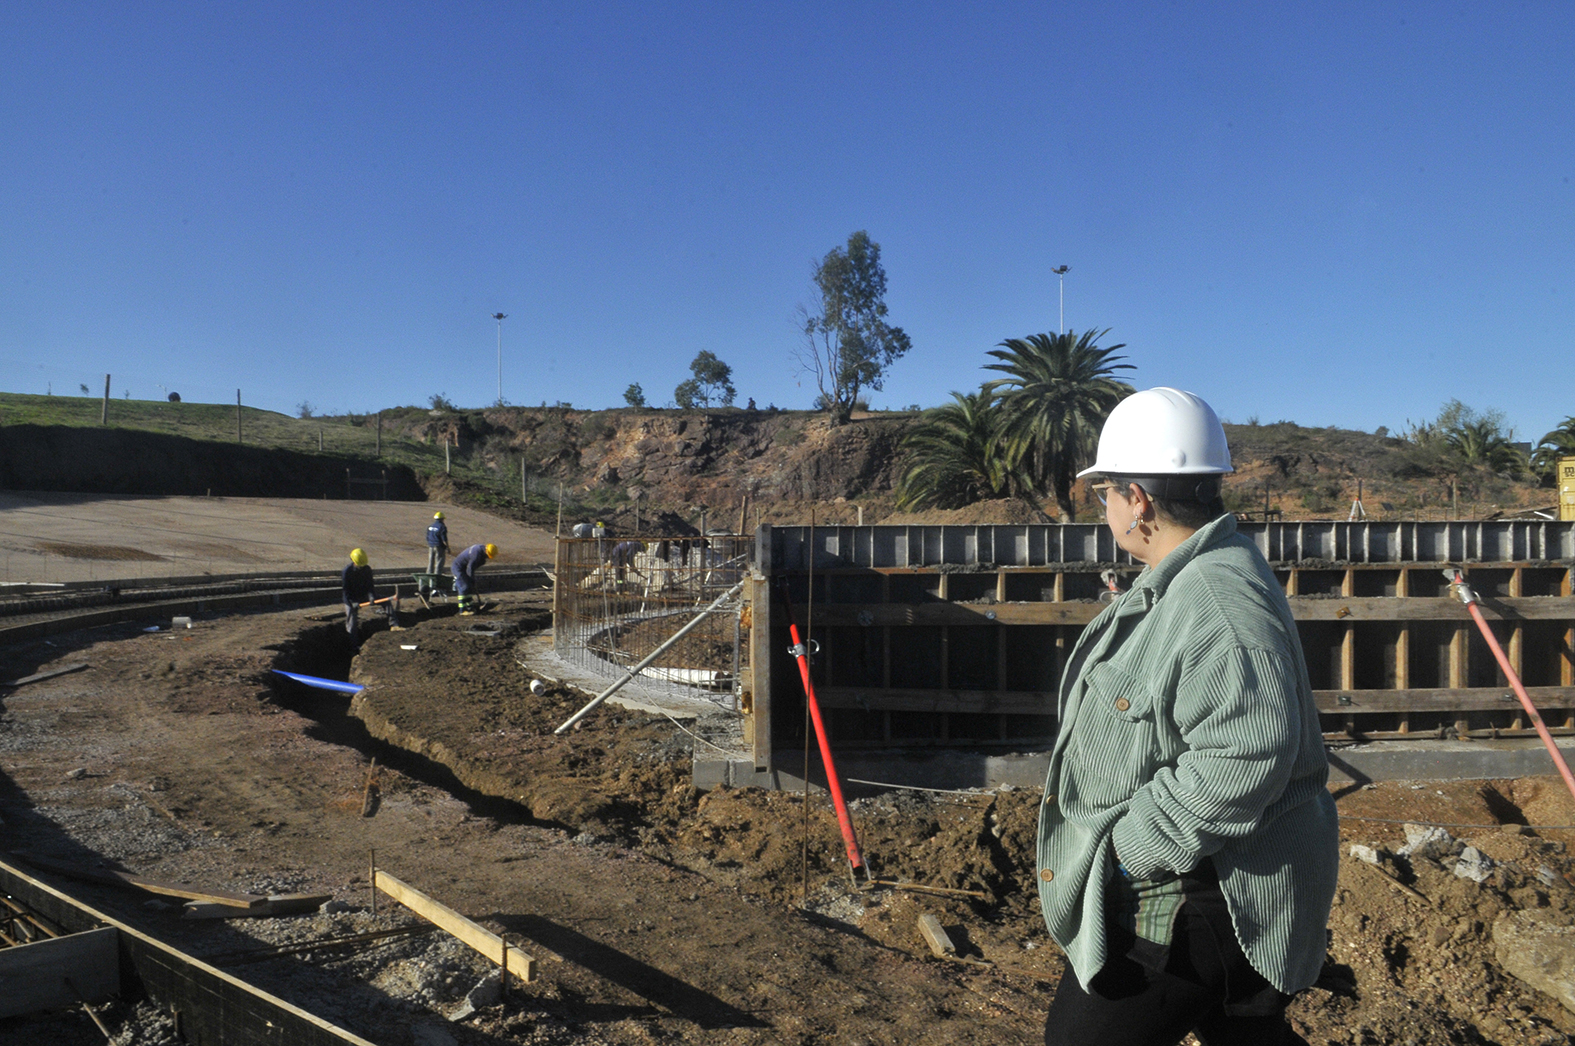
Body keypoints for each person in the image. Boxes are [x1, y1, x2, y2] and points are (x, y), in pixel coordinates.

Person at [1037, 388, 1338, 1046]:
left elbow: (1245, 753)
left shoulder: (1214, 598)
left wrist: (1127, 849)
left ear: (1136, 499)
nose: (1105, 507)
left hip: (1194, 898)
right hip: (1216, 883)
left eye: (1105, 491)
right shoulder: (1186, 578)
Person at [342, 548, 402, 640]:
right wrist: (352, 602)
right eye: (359, 566)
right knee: (352, 623)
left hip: (364, 595)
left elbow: (370, 586)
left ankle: (394, 625)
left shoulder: (367, 569)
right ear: (353, 561)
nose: (361, 567)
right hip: (351, 599)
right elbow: (346, 591)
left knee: (386, 602)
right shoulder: (347, 572)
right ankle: (353, 646)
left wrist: (371, 596)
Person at [452, 542, 496, 615]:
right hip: (458, 568)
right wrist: (472, 579)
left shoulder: (481, 551)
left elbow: (470, 568)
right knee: (464, 587)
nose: (488, 557)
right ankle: (462, 610)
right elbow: (470, 568)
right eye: (488, 555)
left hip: (465, 568)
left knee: (469, 587)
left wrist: (471, 581)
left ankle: (470, 607)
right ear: (486, 551)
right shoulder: (476, 554)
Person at [426, 512, 450, 576]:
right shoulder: (442, 527)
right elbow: (444, 539)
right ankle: (437, 575)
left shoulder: (430, 526)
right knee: (440, 560)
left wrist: (430, 543)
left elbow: (427, 536)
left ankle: (429, 574)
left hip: (431, 545)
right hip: (439, 546)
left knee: (431, 560)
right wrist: (447, 547)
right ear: (442, 519)